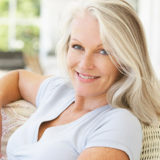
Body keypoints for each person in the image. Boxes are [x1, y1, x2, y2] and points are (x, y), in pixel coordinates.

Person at [0, 0, 160, 159]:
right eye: (77, 46)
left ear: (126, 60)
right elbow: (18, 78)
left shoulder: (120, 124)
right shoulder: (59, 91)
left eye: (103, 51)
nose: (84, 64)